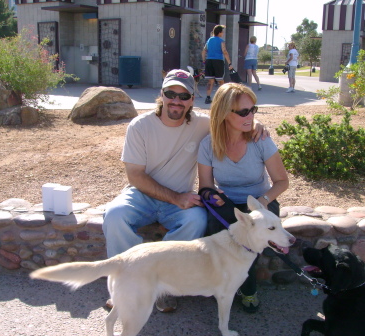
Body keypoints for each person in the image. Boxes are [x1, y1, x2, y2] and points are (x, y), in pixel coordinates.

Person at [102, 70, 267, 313]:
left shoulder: (202, 124)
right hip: (142, 195)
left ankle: (163, 286)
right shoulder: (140, 126)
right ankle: (124, 287)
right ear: (161, 94)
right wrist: (175, 197)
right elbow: (135, 175)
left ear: (192, 99)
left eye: (184, 95)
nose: (176, 100)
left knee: (196, 220)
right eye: (171, 93)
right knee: (115, 215)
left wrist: (256, 123)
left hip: (179, 200)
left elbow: (233, 117)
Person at [197, 83, 289, 313]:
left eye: (253, 109)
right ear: (224, 113)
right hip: (227, 203)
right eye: (243, 112)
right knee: (218, 233)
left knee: (252, 236)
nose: (251, 116)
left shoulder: (261, 140)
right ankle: (221, 282)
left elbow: (282, 181)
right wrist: (212, 195)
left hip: (262, 200)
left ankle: (247, 289)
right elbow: (205, 186)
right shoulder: (208, 144)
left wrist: (263, 201)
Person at [202, 25, 232, 104]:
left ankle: (208, 97)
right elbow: (224, 51)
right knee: (220, 80)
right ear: (219, 33)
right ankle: (222, 98)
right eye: (222, 32)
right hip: (218, 61)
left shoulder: (209, 40)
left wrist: (204, 60)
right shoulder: (221, 41)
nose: (223, 33)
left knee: (210, 81)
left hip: (209, 61)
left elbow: (204, 51)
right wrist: (229, 63)